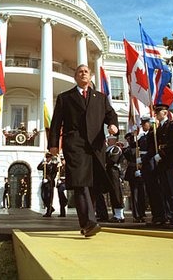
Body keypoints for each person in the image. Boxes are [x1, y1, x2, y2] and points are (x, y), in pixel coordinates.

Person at [49, 64, 118, 237]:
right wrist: (53, 144)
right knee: (80, 182)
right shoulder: (65, 98)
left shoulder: (100, 98)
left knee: (93, 184)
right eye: (80, 71)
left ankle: (87, 221)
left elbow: (111, 114)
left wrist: (113, 125)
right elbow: (56, 122)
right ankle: (89, 222)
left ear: (90, 77)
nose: (84, 73)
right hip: (75, 145)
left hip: (95, 146)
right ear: (75, 77)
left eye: (86, 71)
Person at [148, 104, 173, 229]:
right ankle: (172, 217)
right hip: (163, 164)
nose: (156, 114)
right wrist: (151, 129)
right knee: (167, 191)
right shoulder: (158, 128)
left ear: (164, 113)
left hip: (171, 161)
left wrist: (162, 153)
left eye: (158, 112)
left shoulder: (171, 125)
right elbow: (152, 142)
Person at [105, 135, 125, 223]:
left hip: (115, 172)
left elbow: (113, 160)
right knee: (112, 193)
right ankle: (115, 214)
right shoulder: (108, 149)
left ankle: (120, 215)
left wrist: (105, 162)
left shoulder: (115, 149)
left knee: (117, 193)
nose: (108, 141)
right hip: (110, 173)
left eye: (109, 140)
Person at [37, 152, 58, 217]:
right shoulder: (44, 165)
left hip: (50, 183)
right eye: (46, 157)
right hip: (44, 182)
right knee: (43, 196)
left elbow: (54, 174)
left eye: (48, 157)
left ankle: (49, 212)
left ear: (50, 158)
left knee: (49, 197)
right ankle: (51, 208)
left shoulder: (53, 165)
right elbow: (38, 167)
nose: (47, 159)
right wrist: (42, 161)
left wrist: (49, 180)